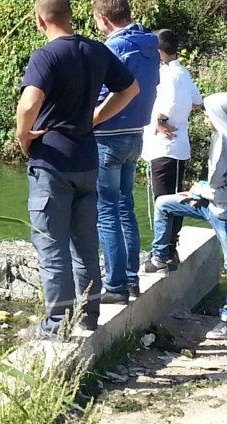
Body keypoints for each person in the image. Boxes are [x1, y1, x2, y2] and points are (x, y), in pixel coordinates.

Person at [17, 0, 138, 335]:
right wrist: (95, 117)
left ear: (40, 20)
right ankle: (87, 316)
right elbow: (130, 89)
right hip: (86, 160)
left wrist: (23, 136)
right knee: (85, 244)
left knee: (51, 245)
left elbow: (29, 103)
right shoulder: (96, 50)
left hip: (51, 163)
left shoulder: (46, 56)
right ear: (70, 16)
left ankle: (56, 324)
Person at [92, 0, 160, 304]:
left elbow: (103, 92)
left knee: (106, 210)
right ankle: (131, 279)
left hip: (107, 136)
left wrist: (89, 118)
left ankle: (116, 285)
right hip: (135, 134)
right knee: (124, 206)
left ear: (104, 19)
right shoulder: (150, 45)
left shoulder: (113, 48)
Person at [144, 93, 227, 339]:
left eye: (208, 114)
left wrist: (199, 191)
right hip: (212, 204)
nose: (205, 119)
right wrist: (200, 190)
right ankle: (160, 257)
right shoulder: (219, 139)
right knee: (164, 204)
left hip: (223, 212)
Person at [141, 29, 203, 264]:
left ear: (159, 52)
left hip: (166, 147)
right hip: (176, 147)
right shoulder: (182, 72)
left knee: (165, 201)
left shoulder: (168, 75)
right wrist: (180, 117)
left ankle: (163, 252)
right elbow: (197, 101)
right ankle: (168, 250)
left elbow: (167, 104)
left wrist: (161, 121)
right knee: (173, 199)